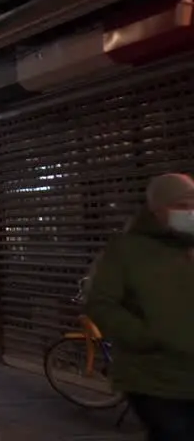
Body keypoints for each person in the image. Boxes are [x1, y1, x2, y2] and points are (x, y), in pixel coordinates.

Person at [85, 173, 194, 440]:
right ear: (157, 209)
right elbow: (101, 303)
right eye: (181, 205)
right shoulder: (126, 250)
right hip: (152, 376)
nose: (190, 212)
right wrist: (146, 335)